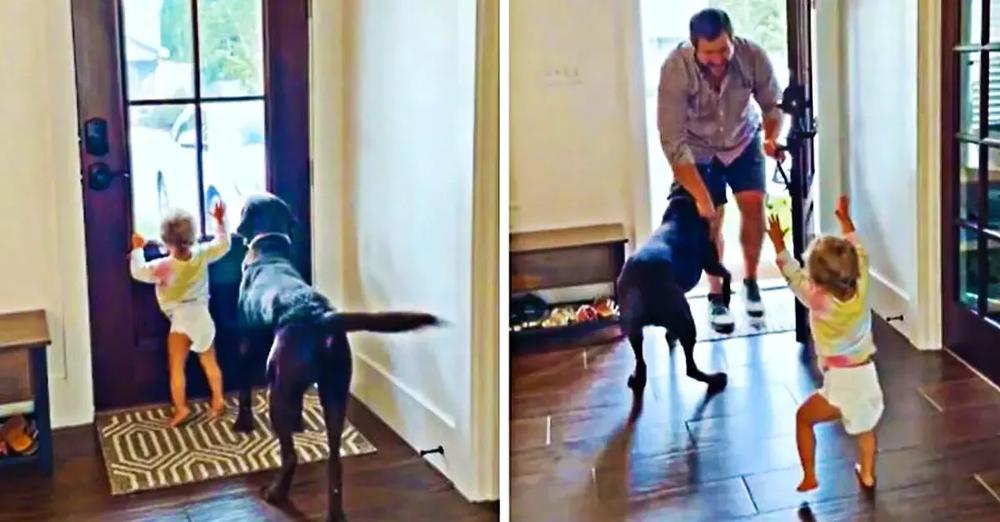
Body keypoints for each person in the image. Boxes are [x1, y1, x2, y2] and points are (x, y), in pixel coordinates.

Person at [657, 7, 785, 332]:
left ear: (732, 38)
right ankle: (717, 296)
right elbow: (673, 142)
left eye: (722, 50)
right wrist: (701, 198)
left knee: (754, 209)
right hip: (698, 148)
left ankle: (752, 282)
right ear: (694, 46)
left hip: (743, 139)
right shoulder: (676, 68)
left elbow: (773, 104)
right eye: (709, 53)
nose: (717, 59)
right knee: (710, 222)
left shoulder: (751, 55)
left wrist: (771, 137)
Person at [767, 195, 884, 492]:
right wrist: (845, 219)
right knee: (866, 429)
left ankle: (809, 475)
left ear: (817, 280)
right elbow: (858, 248)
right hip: (868, 375)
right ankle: (867, 473)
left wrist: (779, 244)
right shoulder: (862, 284)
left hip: (840, 382)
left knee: (803, 420)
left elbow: (792, 276)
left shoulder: (818, 301)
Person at [130, 201, 231, 427]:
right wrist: (219, 221)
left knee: (177, 368)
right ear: (193, 236)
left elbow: (138, 272)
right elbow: (223, 245)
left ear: (165, 241)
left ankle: (181, 408)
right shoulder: (202, 254)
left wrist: (137, 248)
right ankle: (218, 400)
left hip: (180, 321)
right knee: (211, 363)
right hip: (203, 317)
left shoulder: (163, 266)